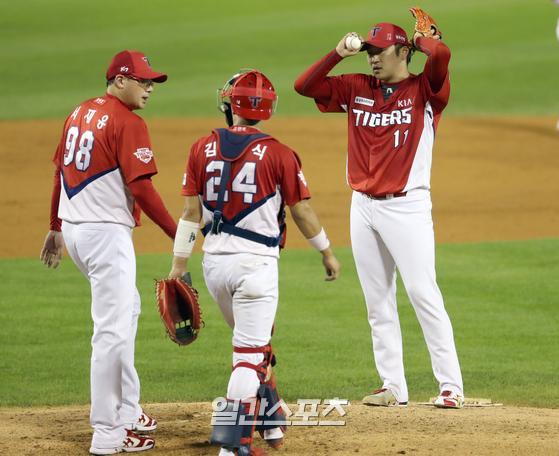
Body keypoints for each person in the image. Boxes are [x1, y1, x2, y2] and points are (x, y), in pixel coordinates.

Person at [294, 16, 464, 408]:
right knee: (377, 300)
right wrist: (338, 53)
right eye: (368, 52)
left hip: (408, 206)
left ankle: (450, 386)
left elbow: (442, 54)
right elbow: (305, 86)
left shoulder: (427, 90)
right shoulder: (358, 88)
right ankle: (392, 385)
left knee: (423, 293)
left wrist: (423, 40)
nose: (372, 59)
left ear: (403, 52)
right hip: (363, 207)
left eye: (380, 52)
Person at [168, 69, 340, 455]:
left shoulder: (201, 147)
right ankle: (233, 447)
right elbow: (302, 212)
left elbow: (190, 214)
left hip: (214, 266)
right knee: (247, 356)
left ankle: (273, 425)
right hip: (256, 268)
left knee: (257, 345)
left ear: (230, 105)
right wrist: (326, 251)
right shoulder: (280, 153)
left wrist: (179, 265)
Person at [40, 50, 177, 454]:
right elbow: (141, 189)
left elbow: (60, 173)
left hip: (78, 233)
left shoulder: (79, 111)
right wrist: (176, 232)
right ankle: (108, 432)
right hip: (105, 239)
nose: (149, 88)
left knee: (127, 310)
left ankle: (128, 409)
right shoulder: (128, 122)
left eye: (152, 82)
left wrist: (55, 227)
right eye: (143, 81)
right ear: (119, 80)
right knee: (110, 333)